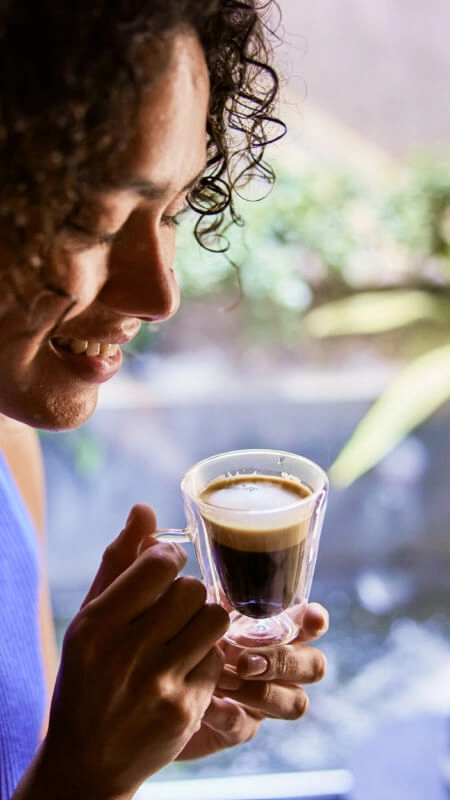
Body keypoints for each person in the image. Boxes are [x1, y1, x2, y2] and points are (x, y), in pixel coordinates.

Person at [0, 1, 329, 798]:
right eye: (95, 220)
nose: (160, 293)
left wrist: (123, 733)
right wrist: (83, 775)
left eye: (174, 210)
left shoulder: (9, 452)